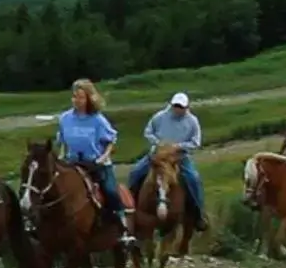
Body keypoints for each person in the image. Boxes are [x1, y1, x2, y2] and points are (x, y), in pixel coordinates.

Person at [55, 78, 133, 245]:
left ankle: (122, 225)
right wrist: (62, 157)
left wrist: (102, 158)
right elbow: (62, 141)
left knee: (110, 191)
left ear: (89, 98)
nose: (76, 100)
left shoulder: (97, 120)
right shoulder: (65, 118)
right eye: (74, 96)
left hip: (96, 163)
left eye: (81, 97)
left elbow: (111, 140)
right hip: (73, 162)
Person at [126, 92, 208, 232]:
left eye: (181, 107)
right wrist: (158, 143)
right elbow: (148, 132)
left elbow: (196, 142)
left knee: (193, 178)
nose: (178, 109)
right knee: (135, 172)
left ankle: (198, 214)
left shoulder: (192, 121)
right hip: (158, 155)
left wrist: (179, 146)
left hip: (178, 158)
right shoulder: (160, 117)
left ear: (186, 107)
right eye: (175, 106)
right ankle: (129, 208)